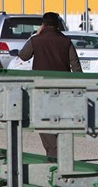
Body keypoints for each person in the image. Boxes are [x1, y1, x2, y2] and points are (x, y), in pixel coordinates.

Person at [18, 12, 81, 160]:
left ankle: (53, 152)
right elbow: (76, 67)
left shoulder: (36, 40)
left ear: (43, 24)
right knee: (61, 121)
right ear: (58, 25)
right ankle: (60, 152)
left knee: (44, 121)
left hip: (41, 87)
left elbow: (23, 55)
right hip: (64, 88)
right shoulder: (66, 41)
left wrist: (36, 34)